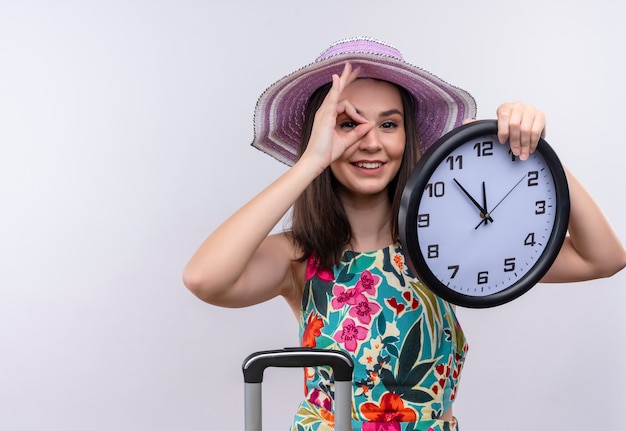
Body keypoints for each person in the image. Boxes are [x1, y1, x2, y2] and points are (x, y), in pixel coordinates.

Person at [183, 38, 626, 431]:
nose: (371, 142)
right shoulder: (300, 257)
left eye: (389, 124)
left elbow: (602, 259)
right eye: (347, 123)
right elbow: (205, 278)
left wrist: (539, 154)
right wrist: (311, 163)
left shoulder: (446, 248)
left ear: (407, 137)